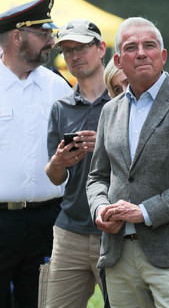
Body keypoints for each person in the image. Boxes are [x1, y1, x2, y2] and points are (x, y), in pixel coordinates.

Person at [86, 17, 169, 308]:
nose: (142, 53)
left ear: (163, 55)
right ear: (118, 61)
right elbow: (97, 176)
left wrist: (145, 211)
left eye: (150, 45)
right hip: (118, 253)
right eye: (131, 47)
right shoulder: (109, 111)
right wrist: (99, 208)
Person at [0, 0, 71, 308]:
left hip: (46, 220)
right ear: (17, 36)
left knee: (40, 301)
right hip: (0, 221)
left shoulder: (59, 88)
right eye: (43, 34)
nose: (51, 41)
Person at [44, 19, 110, 307]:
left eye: (82, 47)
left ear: (101, 48)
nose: (74, 56)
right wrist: (59, 162)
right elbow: (55, 177)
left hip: (115, 231)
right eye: (67, 51)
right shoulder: (60, 108)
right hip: (69, 231)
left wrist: (106, 145)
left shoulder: (125, 100)